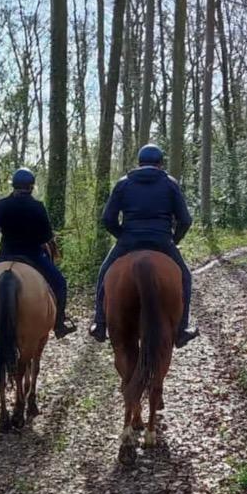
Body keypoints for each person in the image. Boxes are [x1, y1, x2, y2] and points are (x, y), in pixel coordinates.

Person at [89, 143, 198, 348]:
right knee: (185, 277)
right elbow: (185, 219)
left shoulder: (124, 183)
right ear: (160, 163)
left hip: (129, 241)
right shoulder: (170, 184)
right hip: (161, 241)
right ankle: (182, 329)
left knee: (104, 274)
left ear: (139, 162)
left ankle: (100, 323)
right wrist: (174, 240)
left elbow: (107, 218)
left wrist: (122, 235)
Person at [0, 169, 76, 338]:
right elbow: (47, 236)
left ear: (13, 186)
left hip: (6, 255)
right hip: (33, 256)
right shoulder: (37, 206)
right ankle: (59, 323)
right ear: (31, 187)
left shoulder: (1, 204)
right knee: (60, 283)